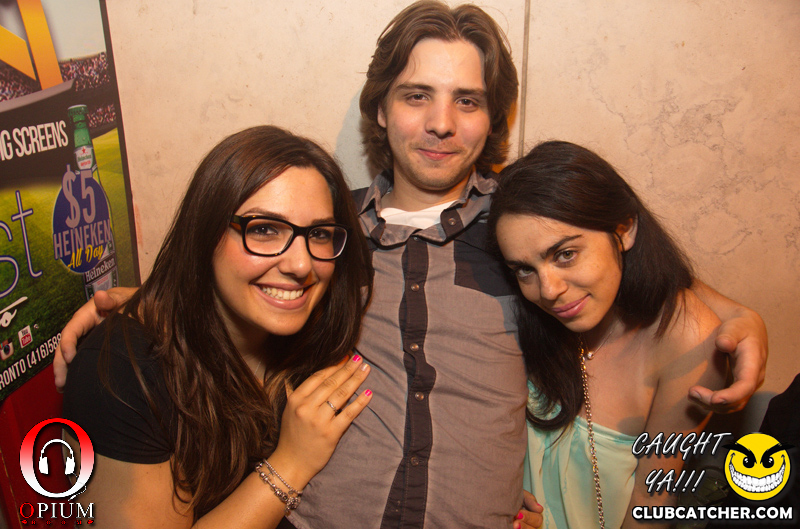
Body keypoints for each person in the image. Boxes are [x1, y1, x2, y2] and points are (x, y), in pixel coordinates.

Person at [55, 2, 767, 528]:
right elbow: (246, 269)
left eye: (468, 101)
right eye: (416, 95)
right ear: (381, 109)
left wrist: (736, 314)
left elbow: (622, 267)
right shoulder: (327, 234)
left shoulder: (518, 233)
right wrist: (144, 301)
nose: (440, 123)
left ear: (493, 119)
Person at [61, 125, 375, 527]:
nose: (301, 264)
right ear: (205, 234)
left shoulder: (312, 330)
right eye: (264, 230)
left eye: (318, 234)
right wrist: (292, 463)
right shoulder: (123, 375)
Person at [489, 140, 729, 528]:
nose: (548, 290)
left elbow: (651, 504)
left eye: (565, 254)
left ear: (624, 229)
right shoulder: (527, 317)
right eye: (524, 269)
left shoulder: (686, 339)